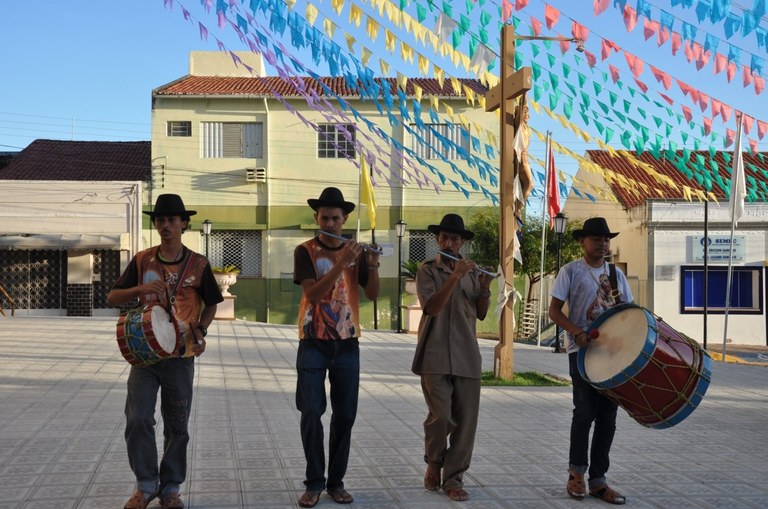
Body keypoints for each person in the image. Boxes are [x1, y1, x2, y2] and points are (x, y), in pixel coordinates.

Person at [108, 194, 223, 509]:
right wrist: (140, 290)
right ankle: (145, 486)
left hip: (180, 358)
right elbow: (113, 297)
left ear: (184, 223)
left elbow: (212, 303)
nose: (166, 225)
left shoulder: (198, 263)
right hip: (144, 356)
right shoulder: (144, 259)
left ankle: (171, 488)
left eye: (173, 219)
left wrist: (201, 330)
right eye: (161, 220)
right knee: (138, 419)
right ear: (155, 223)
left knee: (177, 424)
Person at [293, 187, 380, 508]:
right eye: (324, 218)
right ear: (316, 218)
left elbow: (371, 294)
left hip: (347, 344)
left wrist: (371, 263)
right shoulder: (305, 251)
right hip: (312, 341)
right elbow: (313, 295)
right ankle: (314, 482)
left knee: (345, 415)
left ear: (345, 221)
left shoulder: (355, 253)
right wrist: (343, 262)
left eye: (335, 219)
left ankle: (336, 482)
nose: (329, 223)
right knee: (311, 411)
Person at [548, 217, 633, 506]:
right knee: (584, 412)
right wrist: (576, 332)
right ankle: (576, 474)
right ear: (582, 242)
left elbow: (627, 312)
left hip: (613, 356)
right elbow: (554, 312)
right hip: (581, 353)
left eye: (606, 239)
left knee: (608, 417)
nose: (603, 243)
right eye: (596, 239)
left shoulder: (615, 274)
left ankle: (599, 480)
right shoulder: (570, 271)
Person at [411, 213, 494, 502]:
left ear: (462, 243)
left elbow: (481, 312)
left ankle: (454, 477)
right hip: (434, 353)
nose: (449, 242)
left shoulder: (471, 272)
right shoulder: (427, 270)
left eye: (455, 239)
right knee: (441, 416)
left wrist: (484, 287)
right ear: (438, 240)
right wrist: (455, 276)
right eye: (444, 237)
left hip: (467, 355)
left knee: (466, 420)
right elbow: (431, 307)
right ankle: (434, 461)